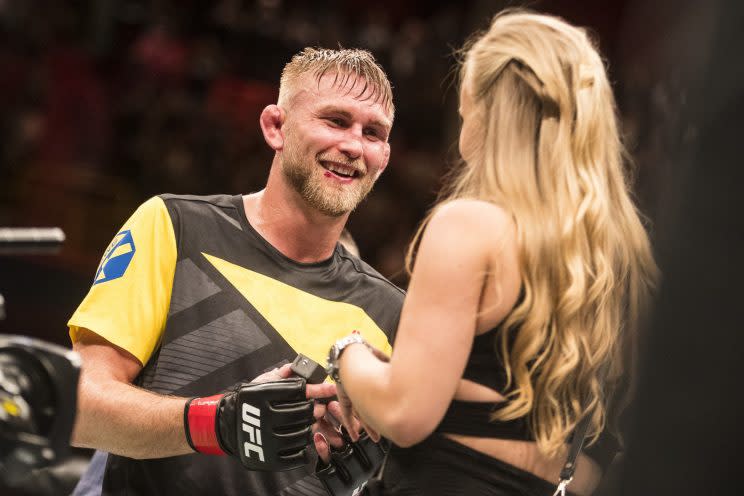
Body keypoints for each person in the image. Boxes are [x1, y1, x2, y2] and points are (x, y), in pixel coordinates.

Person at [326, 10, 658, 496]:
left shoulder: (473, 226)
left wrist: (348, 354)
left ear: (487, 112)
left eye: (463, 115)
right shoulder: (620, 258)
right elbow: (596, 463)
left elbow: (404, 413)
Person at [67, 47, 405, 496]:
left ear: (384, 156)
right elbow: (79, 409)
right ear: (275, 126)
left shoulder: (392, 312)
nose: (353, 145)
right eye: (336, 121)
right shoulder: (174, 226)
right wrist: (217, 423)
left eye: (373, 132)